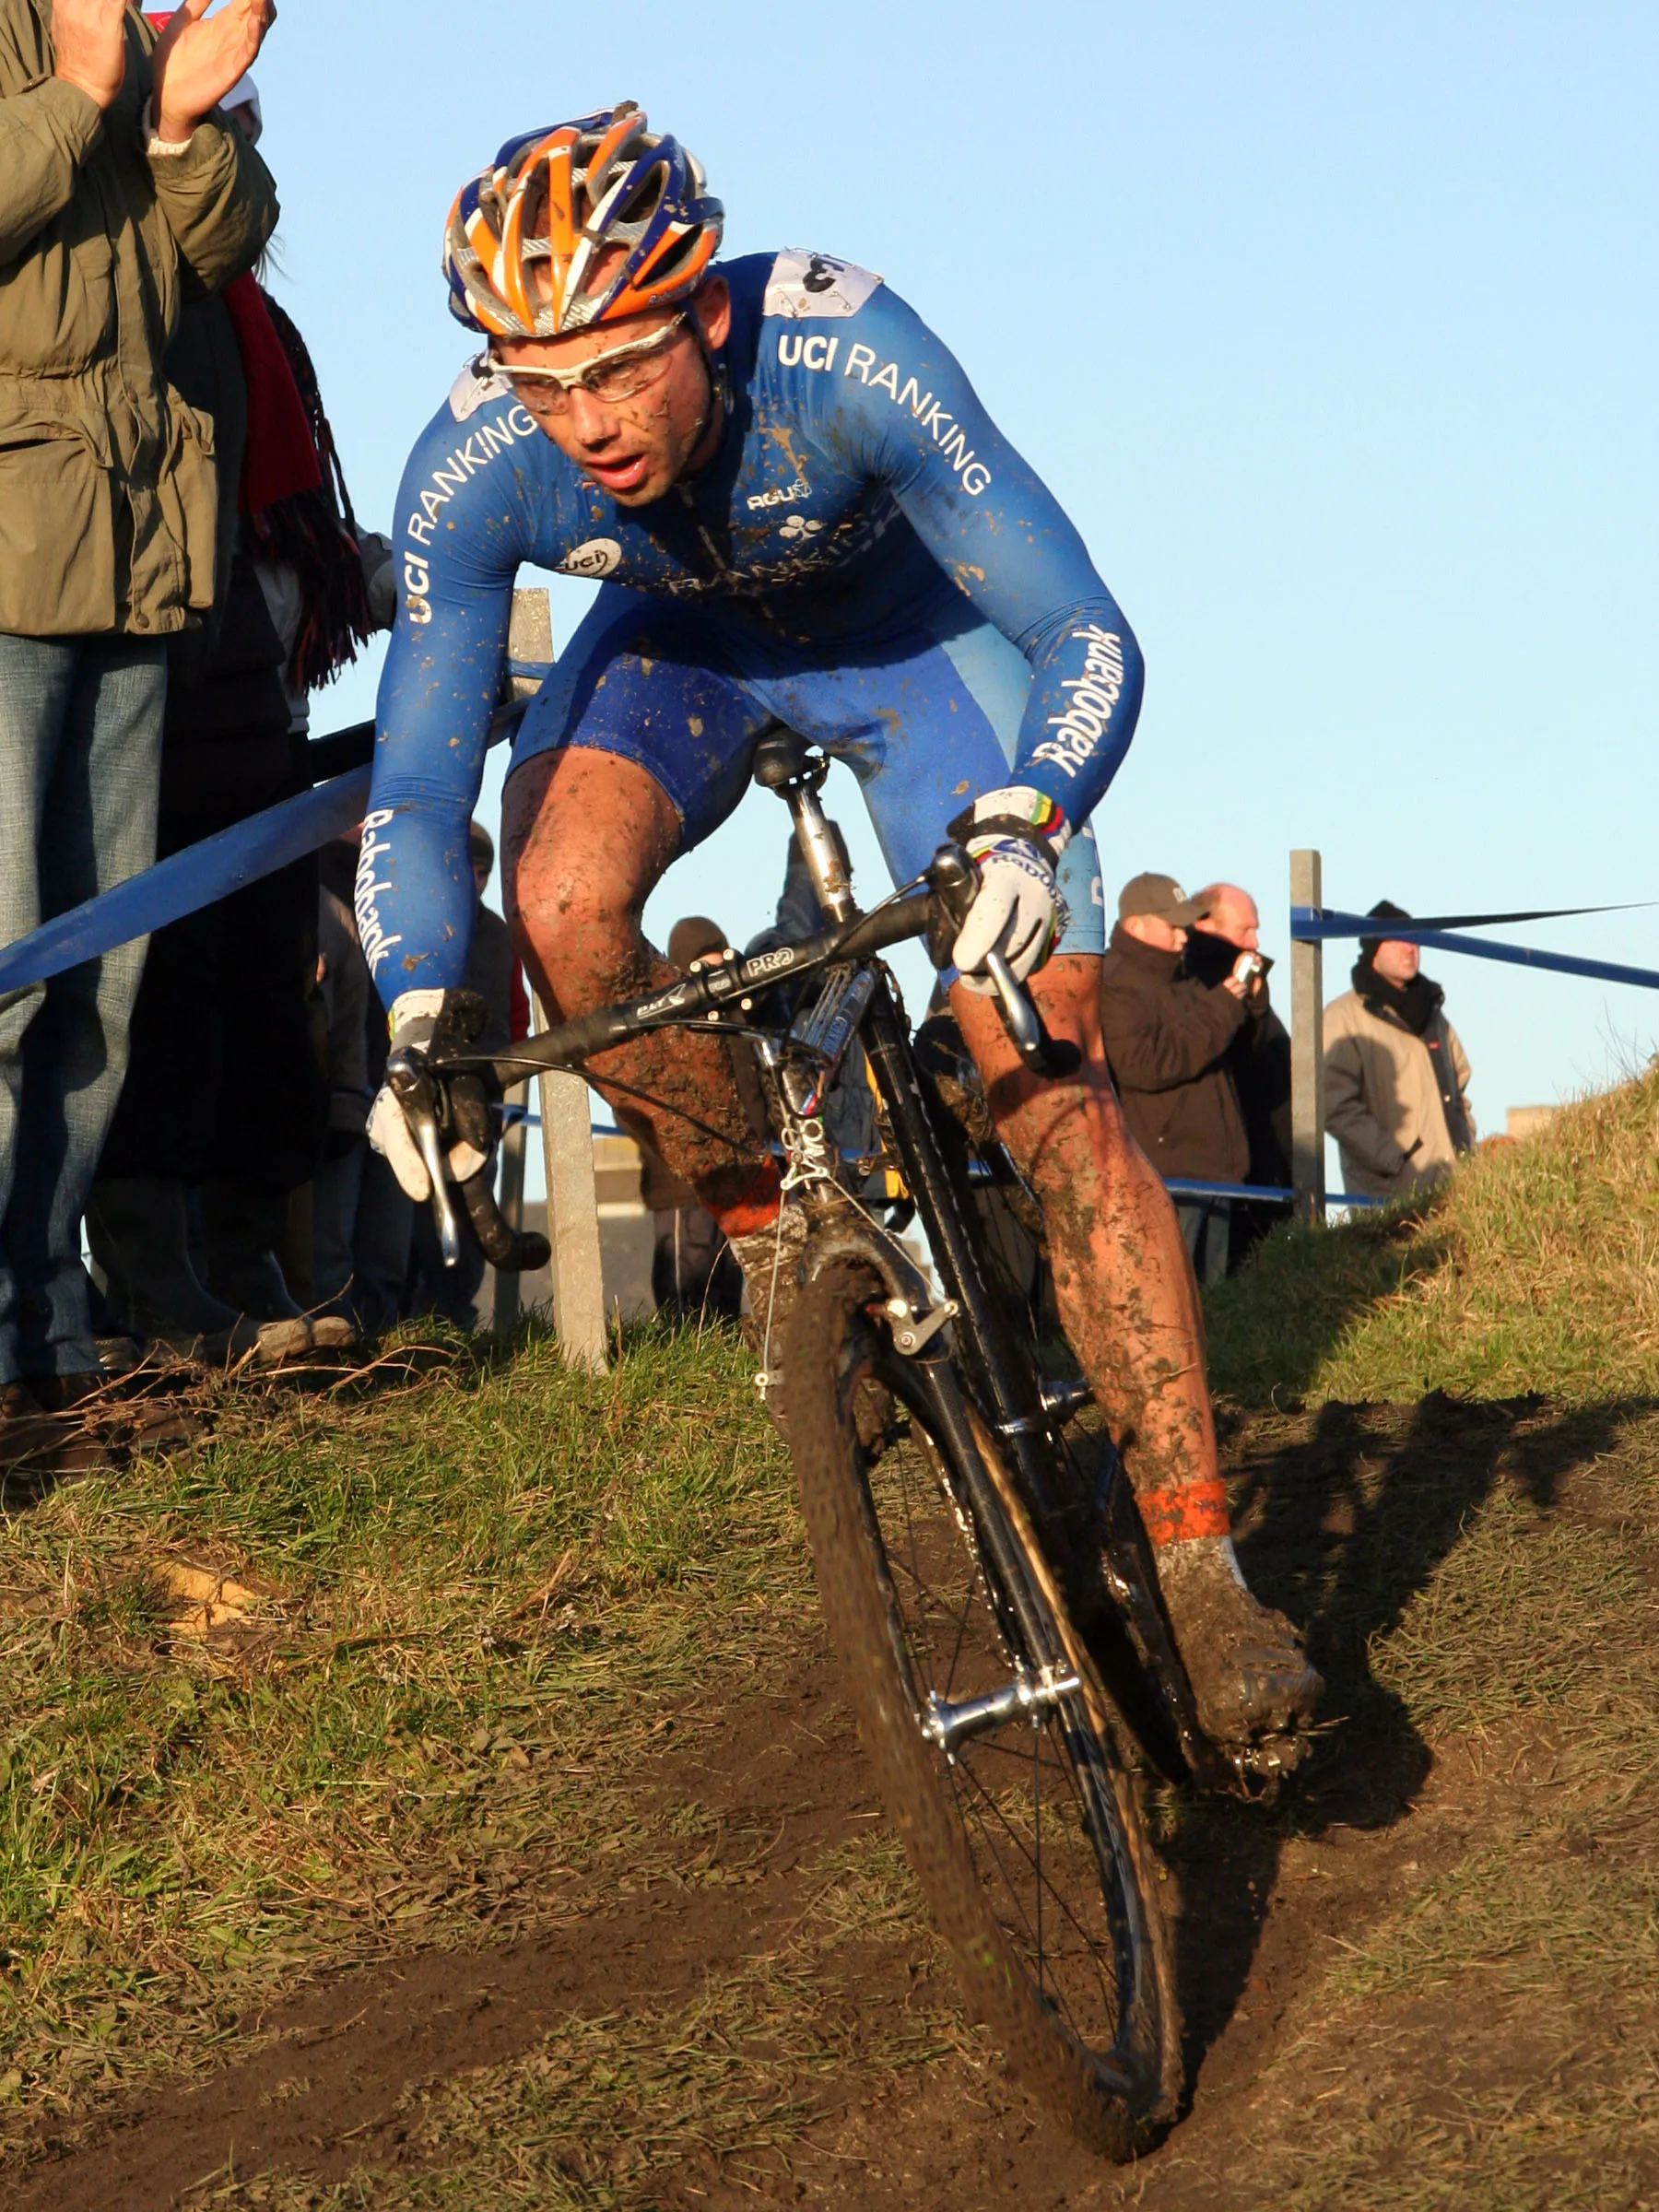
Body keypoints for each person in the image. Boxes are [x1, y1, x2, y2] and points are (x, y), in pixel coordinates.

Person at [358, 105, 1319, 1756]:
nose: (579, 418)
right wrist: (419, 1009)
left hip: (913, 646)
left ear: (704, 315)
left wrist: (1030, 817)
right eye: (540, 377)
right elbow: (418, 773)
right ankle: (784, 1235)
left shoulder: (849, 350)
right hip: (681, 654)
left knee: (1050, 1074)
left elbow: (1081, 623)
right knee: (560, 906)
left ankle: (1205, 1569)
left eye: (616, 365)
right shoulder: (472, 465)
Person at [0, 0, 276, 1457]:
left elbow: (223, 248)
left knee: (98, 985)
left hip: (136, 555)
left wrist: (175, 122)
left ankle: (47, 1338)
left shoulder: (144, 42)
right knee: (5, 964)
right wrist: (81, 94)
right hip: (6, 548)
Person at [88, 66, 377, 1362]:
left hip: (240, 667)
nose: (238, 157)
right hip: (133, 645)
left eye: (247, 135)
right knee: (157, 979)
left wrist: (366, 571)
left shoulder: (260, 317)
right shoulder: (119, 294)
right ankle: (159, 1282)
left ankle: (252, 1256)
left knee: (266, 971)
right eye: (215, 133)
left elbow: (283, 515)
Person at [1099, 874, 1252, 1286]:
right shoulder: (1119, 983)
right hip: (1171, 1175)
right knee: (1175, 1296)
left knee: (1214, 1307)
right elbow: (1143, 1064)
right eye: (1173, 926)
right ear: (1135, 926)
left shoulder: (1178, 977)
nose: (1184, 937)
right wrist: (1220, 1008)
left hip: (1206, 1171)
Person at [404, 820, 527, 1326]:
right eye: (468, 868)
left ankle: (454, 1324)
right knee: (414, 1217)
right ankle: (404, 1325)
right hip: (421, 1098)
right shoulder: (417, 927)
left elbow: (517, 1013)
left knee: (476, 1223)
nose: (475, 880)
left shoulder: (501, 935)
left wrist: (512, 1084)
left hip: (486, 1097)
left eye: (484, 871)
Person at [1324, 900, 1475, 1200]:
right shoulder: (1344, 1018)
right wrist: (1396, 1157)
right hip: (1388, 1196)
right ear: (1373, 949)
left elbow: (1459, 1088)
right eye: (1397, 939)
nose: (1411, 947)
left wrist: (1465, 1147)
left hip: (1454, 1187)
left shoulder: (1434, 1015)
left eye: (1415, 939)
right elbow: (1333, 1104)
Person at [1185, 883, 1294, 1270]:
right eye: (1243, 930)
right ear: (1205, 925)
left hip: (1260, 1166)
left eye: (1256, 929)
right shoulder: (1200, 986)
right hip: (1241, 1171)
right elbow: (1244, 1059)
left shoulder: (1244, 987)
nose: (1255, 940)